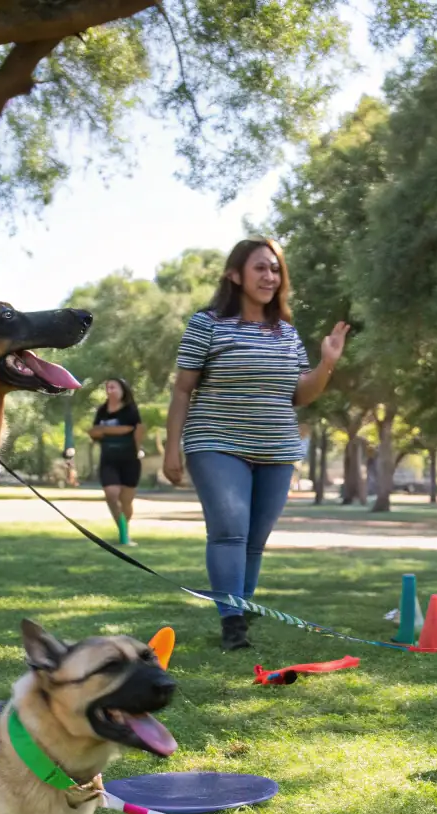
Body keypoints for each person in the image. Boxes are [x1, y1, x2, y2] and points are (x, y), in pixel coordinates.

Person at [163, 238, 348, 651]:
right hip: (215, 440)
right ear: (234, 275)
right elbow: (182, 390)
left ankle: (239, 608)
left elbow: (300, 394)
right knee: (229, 530)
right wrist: (171, 447)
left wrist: (326, 364)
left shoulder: (286, 332)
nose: (270, 276)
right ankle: (233, 622)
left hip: (276, 447)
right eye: (260, 268)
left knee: (254, 538)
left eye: (275, 269)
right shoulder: (206, 323)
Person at [89, 378, 144, 546]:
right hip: (108, 460)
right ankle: (123, 532)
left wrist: (105, 430)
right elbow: (93, 432)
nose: (109, 390)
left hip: (129, 460)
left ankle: (124, 531)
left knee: (126, 501)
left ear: (122, 390)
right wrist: (113, 430)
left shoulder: (130, 410)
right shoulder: (102, 410)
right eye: (107, 387)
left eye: (113, 386)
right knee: (112, 495)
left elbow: (132, 429)